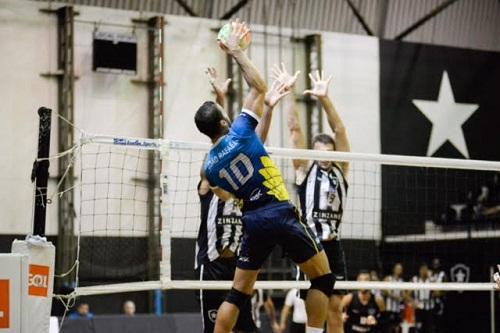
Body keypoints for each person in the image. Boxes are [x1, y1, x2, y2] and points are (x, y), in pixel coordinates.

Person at [194, 19, 333, 333]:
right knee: (323, 279)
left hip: (252, 221)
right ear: (226, 120)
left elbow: (234, 184)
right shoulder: (241, 132)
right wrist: (237, 52)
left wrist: (262, 108)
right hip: (280, 211)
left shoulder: (211, 167)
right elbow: (258, 87)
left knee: (238, 292)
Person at [196, 66, 288, 333]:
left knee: (246, 327)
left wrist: (268, 109)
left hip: (238, 264)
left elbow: (256, 141)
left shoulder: (240, 170)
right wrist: (221, 101)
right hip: (211, 265)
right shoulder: (210, 179)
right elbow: (215, 144)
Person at [281, 61, 350, 333]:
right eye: (319, 151)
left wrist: (325, 99)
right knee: (314, 311)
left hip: (335, 245)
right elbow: (295, 130)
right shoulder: (304, 171)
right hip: (310, 244)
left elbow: (341, 131)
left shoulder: (342, 170)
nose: (324, 155)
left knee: (336, 308)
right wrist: (289, 94)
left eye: (328, 151)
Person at [411, 263, 435, 333]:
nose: (425, 271)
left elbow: (437, 292)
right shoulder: (415, 279)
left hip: (429, 308)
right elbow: (406, 294)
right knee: (418, 329)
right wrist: (413, 301)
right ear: (420, 270)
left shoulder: (431, 280)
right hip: (419, 308)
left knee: (430, 329)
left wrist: (431, 279)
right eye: (423, 269)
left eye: (426, 269)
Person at [383, 263, 404, 333]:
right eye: (397, 268)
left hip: (397, 309)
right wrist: (393, 296)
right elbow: (383, 290)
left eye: (400, 269)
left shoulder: (401, 281)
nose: (399, 270)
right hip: (389, 308)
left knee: (397, 328)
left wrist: (401, 297)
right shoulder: (388, 278)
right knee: (388, 328)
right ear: (394, 269)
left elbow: (403, 294)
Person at [430, 258, 446, 333]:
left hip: (440, 302)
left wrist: (440, 293)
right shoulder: (430, 273)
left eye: (437, 263)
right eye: (434, 263)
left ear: (439, 264)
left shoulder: (443, 274)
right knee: (431, 324)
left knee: (440, 323)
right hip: (430, 303)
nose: (435, 265)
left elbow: (448, 289)